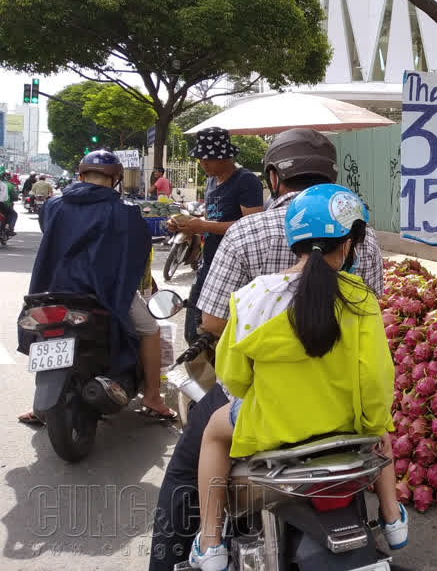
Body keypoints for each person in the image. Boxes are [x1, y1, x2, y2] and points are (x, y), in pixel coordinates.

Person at [148, 129, 385, 571]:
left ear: (273, 178)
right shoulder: (362, 237)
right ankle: (391, 520)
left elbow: (212, 325)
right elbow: (372, 327)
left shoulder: (246, 234)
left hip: (263, 401)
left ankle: (201, 548)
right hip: (343, 402)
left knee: (185, 474)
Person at [188, 184, 405, 571]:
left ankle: (210, 542)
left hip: (272, 430)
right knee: (381, 424)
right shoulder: (361, 299)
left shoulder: (252, 297)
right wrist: (371, 422)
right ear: (350, 243)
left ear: (295, 241)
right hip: (346, 427)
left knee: (212, 434)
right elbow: (376, 379)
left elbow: (234, 380)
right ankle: (392, 518)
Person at [16, 151, 175, 424]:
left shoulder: (53, 205)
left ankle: (39, 404)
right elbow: (138, 249)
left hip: (53, 289)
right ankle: (152, 396)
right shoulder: (124, 211)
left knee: (46, 336)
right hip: (106, 292)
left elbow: (49, 233)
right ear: (116, 179)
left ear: (80, 175)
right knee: (150, 330)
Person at [171, 128, 264, 345]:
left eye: (209, 158)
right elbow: (210, 217)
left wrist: (204, 225)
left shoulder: (246, 181)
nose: (203, 163)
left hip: (234, 267)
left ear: (225, 156)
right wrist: (185, 225)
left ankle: (216, 374)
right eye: (201, 158)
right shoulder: (211, 181)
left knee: (214, 333)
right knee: (194, 330)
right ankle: (204, 374)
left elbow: (252, 225)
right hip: (209, 262)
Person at [0, 170, 18, 236]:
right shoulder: (8, 185)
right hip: (3, 204)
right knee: (13, 214)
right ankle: (9, 228)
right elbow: (14, 197)